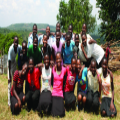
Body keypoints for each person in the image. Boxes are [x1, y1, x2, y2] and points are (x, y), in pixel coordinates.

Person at [51, 52, 66, 117]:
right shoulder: (53, 69)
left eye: (59, 58)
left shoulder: (64, 70)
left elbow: (70, 68)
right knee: (53, 113)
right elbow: (51, 81)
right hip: (54, 92)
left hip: (60, 93)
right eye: (57, 59)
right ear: (55, 60)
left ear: (61, 59)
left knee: (61, 114)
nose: (58, 60)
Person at [8, 36, 22, 106]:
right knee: (10, 82)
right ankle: (9, 101)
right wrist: (9, 75)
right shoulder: (11, 49)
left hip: (15, 63)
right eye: (15, 42)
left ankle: (15, 96)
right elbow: (9, 63)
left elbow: (23, 50)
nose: (16, 43)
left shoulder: (19, 47)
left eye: (17, 42)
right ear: (13, 42)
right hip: (10, 64)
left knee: (15, 81)